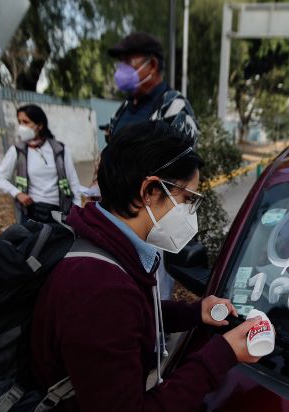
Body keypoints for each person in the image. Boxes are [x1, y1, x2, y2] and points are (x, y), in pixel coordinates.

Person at [8, 121, 262, 412]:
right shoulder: (100, 290)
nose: (191, 212)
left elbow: (129, 322)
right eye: (188, 198)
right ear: (149, 191)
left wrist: (194, 312)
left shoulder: (102, 238)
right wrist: (220, 354)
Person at [101, 31, 201, 300]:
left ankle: (156, 333)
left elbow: (182, 172)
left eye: (127, 62)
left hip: (152, 221)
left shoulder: (173, 108)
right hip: (119, 222)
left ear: (151, 65)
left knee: (152, 293)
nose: (120, 70)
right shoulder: (124, 109)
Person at [0, 104, 88, 224]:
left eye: (26, 122)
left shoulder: (59, 149)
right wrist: (17, 193)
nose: (21, 126)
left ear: (39, 125)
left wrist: (77, 209)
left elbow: (73, 181)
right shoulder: (18, 150)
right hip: (31, 214)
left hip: (59, 213)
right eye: (19, 122)